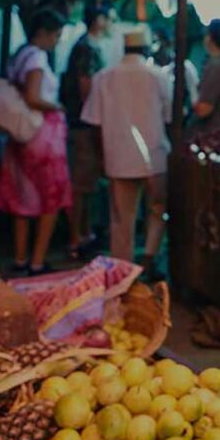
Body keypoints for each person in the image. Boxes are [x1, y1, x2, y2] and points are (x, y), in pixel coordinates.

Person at [81, 30, 171, 280]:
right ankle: (150, 257)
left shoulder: (104, 77)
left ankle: (122, 271)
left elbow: (93, 122)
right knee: (158, 209)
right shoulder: (158, 76)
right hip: (155, 156)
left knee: (122, 218)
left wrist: (102, 156)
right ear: (146, 50)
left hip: (118, 157)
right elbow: (169, 117)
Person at [0, 8, 71, 275]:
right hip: (43, 136)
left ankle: (20, 258)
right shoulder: (37, 58)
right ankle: (37, 261)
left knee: (22, 198)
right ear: (43, 33)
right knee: (51, 197)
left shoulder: (20, 55)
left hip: (20, 137)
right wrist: (58, 106)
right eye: (56, 35)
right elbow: (33, 97)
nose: (57, 41)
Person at [62, 5, 112, 259]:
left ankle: (84, 233)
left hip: (85, 123)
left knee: (87, 183)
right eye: (108, 18)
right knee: (81, 184)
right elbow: (85, 86)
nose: (111, 23)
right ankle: (75, 237)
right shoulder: (86, 48)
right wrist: (94, 114)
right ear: (98, 20)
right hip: (84, 125)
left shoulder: (89, 46)